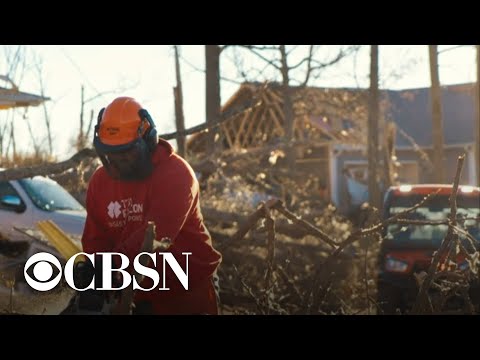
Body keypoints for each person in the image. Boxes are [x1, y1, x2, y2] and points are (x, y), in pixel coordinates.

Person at [80, 96, 222, 315]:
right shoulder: (100, 182)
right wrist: (95, 270)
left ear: (148, 141)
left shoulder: (175, 174)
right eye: (112, 154)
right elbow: (95, 237)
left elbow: (153, 238)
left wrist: (110, 266)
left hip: (186, 291)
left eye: (127, 152)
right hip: (134, 290)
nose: (119, 161)